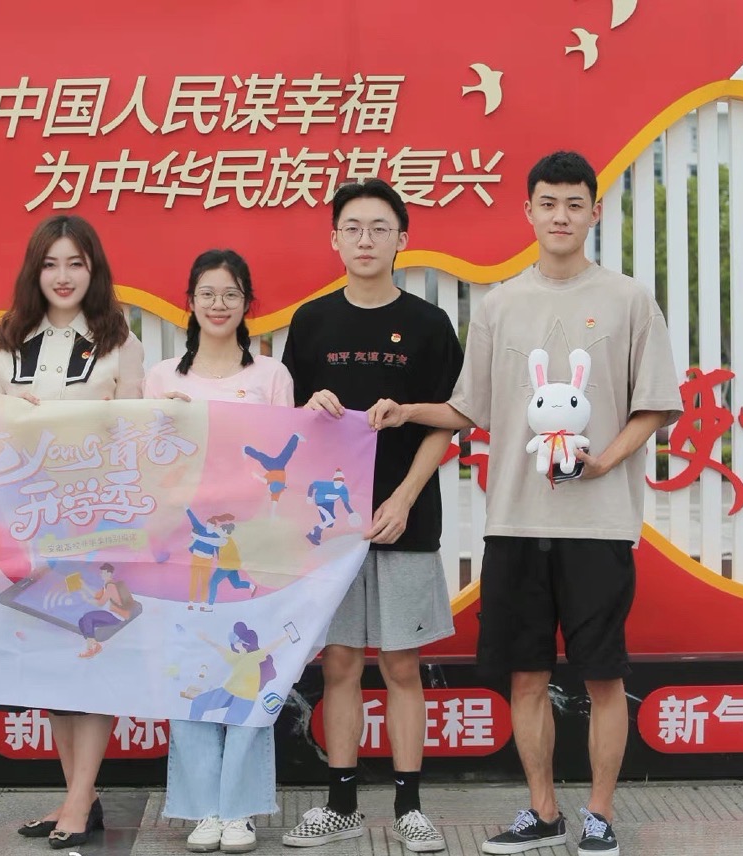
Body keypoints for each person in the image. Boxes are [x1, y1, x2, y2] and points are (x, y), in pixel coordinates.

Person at [369, 151, 683, 856]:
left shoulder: (629, 300)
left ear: (594, 212)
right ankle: (542, 812)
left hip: (599, 524)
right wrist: (407, 411)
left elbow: (655, 405)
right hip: (513, 521)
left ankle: (598, 814)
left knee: (604, 675)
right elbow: (467, 408)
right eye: (548, 203)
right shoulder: (500, 305)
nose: (560, 216)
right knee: (526, 676)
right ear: (528, 212)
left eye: (574, 204)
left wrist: (602, 462)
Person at [279, 179, 462, 853]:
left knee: (403, 664)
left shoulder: (429, 325)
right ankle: (340, 804)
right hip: (330, 525)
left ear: (401, 239)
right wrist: (310, 408)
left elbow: (453, 417)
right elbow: (286, 423)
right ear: (334, 239)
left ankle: (410, 806)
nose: (365, 239)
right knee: (339, 663)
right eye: (352, 228)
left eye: (379, 228)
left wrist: (406, 496)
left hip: (403, 519)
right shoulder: (312, 322)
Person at [0, 213, 144, 850]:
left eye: (76, 262)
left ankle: (79, 798)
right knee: (53, 661)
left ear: (93, 269)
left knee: (92, 649)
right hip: (30, 522)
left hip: (98, 521)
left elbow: (139, 433)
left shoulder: (119, 341)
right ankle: (79, 795)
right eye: (51, 264)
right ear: (35, 270)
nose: (63, 276)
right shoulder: (5, 341)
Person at [144, 248, 294, 854]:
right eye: (207, 293)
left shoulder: (271, 377)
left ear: (247, 303)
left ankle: (240, 809)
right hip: (184, 547)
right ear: (189, 301)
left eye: (231, 293)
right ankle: (202, 807)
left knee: (250, 674)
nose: (218, 304)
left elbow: (289, 458)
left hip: (252, 546)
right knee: (192, 672)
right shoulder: (162, 378)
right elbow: (147, 463)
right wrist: (163, 423)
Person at [76, 562, 137, 658]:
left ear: (109, 573)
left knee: (88, 617)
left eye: (103, 573)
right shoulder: (106, 585)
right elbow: (96, 596)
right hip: (108, 613)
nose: (101, 574)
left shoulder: (110, 586)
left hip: (115, 616)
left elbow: (100, 603)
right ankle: (95, 645)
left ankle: (91, 649)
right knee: (82, 621)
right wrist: (83, 586)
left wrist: (86, 599)